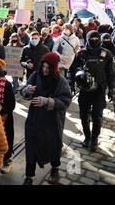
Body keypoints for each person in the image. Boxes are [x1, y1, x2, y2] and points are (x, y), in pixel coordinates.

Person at [21, 52, 72, 185]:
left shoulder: (61, 81)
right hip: (34, 118)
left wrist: (47, 101)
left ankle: (55, 168)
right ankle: (29, 176)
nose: (44, 70)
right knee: (31, 146)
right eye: (43, 66)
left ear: (54, 67)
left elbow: (65, 101)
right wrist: (27, 90)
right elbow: (23, 90)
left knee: (53, 145)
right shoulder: (35, 75)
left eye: (48, 68)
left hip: (52, 121)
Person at [71, 31, 115, 152]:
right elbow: (73, 70)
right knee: (83, 115)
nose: (94, 39)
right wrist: (73, 82)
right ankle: (87, 136)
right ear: (87, 39)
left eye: (96, 37)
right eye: (92, 38)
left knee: (97, 115)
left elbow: (111, 73)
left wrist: (112, 89)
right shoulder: (81, 53)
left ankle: (94, 139)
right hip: (85, 90)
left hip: (99, 90)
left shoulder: (106, 54)